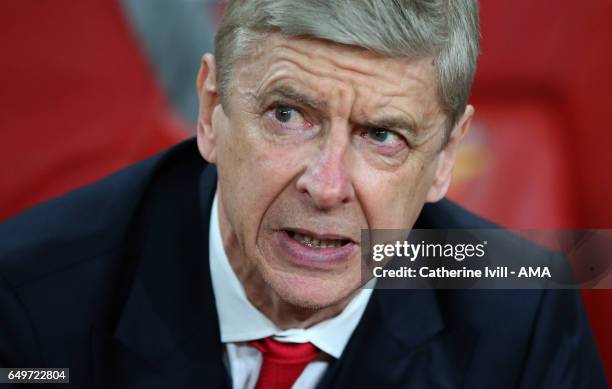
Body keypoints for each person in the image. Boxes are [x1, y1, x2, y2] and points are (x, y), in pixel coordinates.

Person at [0, 1, 606, 388]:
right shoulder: (30, 302)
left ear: (445, 158)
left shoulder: (523, 311)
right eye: (288, 115)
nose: (326, 186)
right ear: (211, 112)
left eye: (383, 134)